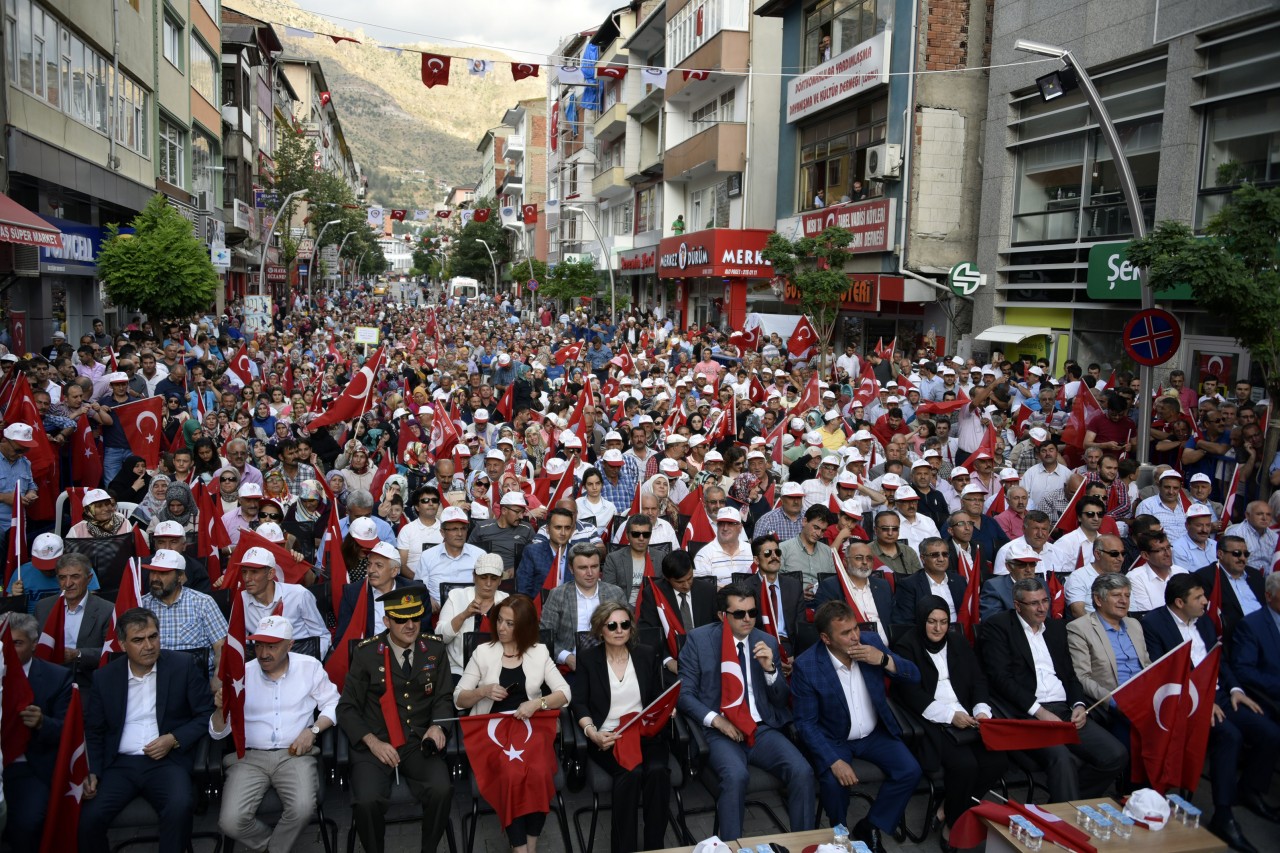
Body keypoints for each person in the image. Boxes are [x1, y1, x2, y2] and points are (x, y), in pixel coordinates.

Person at [1141, 573, 1280, 851]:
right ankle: (1224, 814)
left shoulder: (1204, 620)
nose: (1206, 601)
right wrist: (1200, 700)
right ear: (1180, 602)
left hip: (1220, 694)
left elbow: (1220, 660)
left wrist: (1235, 690)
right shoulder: (1154, 624)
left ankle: (1250, 791)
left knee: (1269, 731)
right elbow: (1164, 672)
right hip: (1186, 700)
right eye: (1199, 598)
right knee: (1229, 736)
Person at [675, 581, 816, 841]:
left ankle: (802, 844)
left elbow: (781, 699)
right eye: (739, 613)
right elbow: (684, 695)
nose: (748, 619)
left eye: (752, 612)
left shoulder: (767, 642)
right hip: (719, 730)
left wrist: (771, 671)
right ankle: (732, 845)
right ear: (722, 615)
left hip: (760, 727)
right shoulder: (699, 640)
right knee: (736, 776)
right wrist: (717, 720)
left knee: (802, 771)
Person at [79, 608, 215, 853]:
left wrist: (173, 739)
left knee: (179, 805)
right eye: (138, 640)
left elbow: (206, 714)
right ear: (122, 644)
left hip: (167, 761)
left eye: (153, 636)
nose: (149, 645)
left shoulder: (182, 666)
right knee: (88, 817)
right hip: (119, 764)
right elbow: (94, 730)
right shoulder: (105, 677)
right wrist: (92, 771)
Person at [979, 578, 1127, 801]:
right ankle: (1064, 819)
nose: (1042, 608)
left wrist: (1079, 705)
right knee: (1063, 759)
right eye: (1034, 603)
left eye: (1045, 601)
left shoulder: (1056, 628)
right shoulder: (998, 627)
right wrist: (1039, 711)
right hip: (1028, 714)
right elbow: (1001, 679)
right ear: (1018, 605)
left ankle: (1064, 805)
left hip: (1065, 710)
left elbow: (1070, 675)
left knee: (1116, 755)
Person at [792, 600, 921, 853]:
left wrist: (883, 660)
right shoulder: (807, 666)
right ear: (826, 638)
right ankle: (840, 835)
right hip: (834, 739)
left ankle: (871, 825)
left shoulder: (871, 643)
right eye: (845, 633)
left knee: (910, 771)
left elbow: (913, 675)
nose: (854, 637)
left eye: (855, 629)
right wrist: (834, 760)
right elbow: (805, 723)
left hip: (874, 734)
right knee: (833, 781)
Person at [337, 585, 455, 853]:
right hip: (376, 743)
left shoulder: (434, 649)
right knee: (366, 801)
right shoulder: (367, 653)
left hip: (417, 741)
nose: (411, 625)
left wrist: (438, 726)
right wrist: (371, 742)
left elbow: (444, 697)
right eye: (402, 619)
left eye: (415, 617)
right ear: (387, 621)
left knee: (442, 789)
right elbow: (346, 708)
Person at [210, 615, 340, 853]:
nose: (263, 653)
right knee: (230, 821)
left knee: (302, 808)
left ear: (289, 645)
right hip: (249, 758)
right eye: (259, 645)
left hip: (295, 754)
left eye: (272, 646)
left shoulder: (308, 667)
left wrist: (313, 730)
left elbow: (333, 704)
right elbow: (218, 733)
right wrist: (220, 710)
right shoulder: (241, 675)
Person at [455, 594, 572, 852]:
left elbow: (564, 693)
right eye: (500, 621)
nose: (501, 628)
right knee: (512, 775)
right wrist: (483, 691)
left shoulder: (539, 652)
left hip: (531, 727)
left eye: (510, 623)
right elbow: (459, 698)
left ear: (524, 627)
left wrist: (536, 704)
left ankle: (531, 846)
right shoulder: (483, 652)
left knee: (539, 773)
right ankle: (519, 849)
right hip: (492, 731)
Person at [891, 597, 1006, 847]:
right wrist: (950, 716)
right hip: (933, 721)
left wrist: (981, 710)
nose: (937, 628)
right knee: (965, 766)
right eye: (931, 622)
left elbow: (978, 680)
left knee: (998, 761)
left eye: (943, 622)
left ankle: (947, 809)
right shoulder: (906, 647)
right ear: (922, 621)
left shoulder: (958, 641)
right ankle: (954, 826)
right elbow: (910, 695)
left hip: (968, 715)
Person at [570, 602, 671, 853]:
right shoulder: (588, 659)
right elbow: (579, 702)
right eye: (612, 625)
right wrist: (591, 732)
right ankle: (623, 848)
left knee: (658, 771)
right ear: (600, 629)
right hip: (608, 736)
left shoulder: (646, 654)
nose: (619, 630)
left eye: (624, 624)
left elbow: (658, 696)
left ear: (631, 627)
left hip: (644, 733)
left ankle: (654, 846)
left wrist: (668, 707)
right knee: (630, 773)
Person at [1, 613, 73, 853]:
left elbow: (69, 731)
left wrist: (43, 722)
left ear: (34, 644)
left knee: (26, 824)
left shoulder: (56, 677)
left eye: (17, 643)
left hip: (31, 768)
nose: (8, 650)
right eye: (4, 644)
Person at [1064, 573, 1151, 743]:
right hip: (1114, 702)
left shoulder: (1135, 624)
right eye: (1117, 595)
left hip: (1146, 697)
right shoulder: (1079, 628)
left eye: (1127, 595)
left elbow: (1147, 666)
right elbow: (1082, 677)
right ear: (1098, 599)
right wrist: (1115, 701)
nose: (1124, 601)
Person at [138, 549, 227, 674]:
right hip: (156, 678)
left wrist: (218, 678)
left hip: (197, 678)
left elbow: (221, 646)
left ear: (180, 577)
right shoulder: (141, 605)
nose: (155, 578)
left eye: (163, 573)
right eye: (153, 572)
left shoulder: (202, 602)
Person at [540, 542, 627, 671]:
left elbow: (628, 631)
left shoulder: (615, 593)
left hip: (611, 662)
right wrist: (567, 657)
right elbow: (545, 637)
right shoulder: (558, 595)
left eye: (594, 566)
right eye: (583, 568)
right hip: (571, 665)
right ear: (571, 569)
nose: (590, 573)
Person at [34, 552, 113, 690]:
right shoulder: (43, 607)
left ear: (89, 579)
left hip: (87, 681)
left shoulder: (107, 610)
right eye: (62, 577)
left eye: (75, 577)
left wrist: (77, 654)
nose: (68, 584)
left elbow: (111, 652)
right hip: (48, 679)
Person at [238, 547, 330, 658]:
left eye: (254, 572)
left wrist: (309, 664)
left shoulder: (299, 595)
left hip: (301, 660)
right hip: (264, 664)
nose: (247, 578)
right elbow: (239, 643)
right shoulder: (240, 600)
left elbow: (322, 637)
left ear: (271, 574)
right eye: (244, 572)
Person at [638, 550, 717, 673]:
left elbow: (717, 628)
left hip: (706, 660)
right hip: (672, 662)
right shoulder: (653, 594)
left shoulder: (708, 591)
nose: (686, 585)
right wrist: (668, 661)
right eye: (679, 582)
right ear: (667, 578)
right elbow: (648, 632)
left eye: (690, 578)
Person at [436, 553, 510, 681]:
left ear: (500, 581)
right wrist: (463, 615)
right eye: (483, 577)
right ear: (474, 577)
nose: (488, 583)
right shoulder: (456, 596)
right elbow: (440, 637)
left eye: (493, 578)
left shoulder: (507, 601)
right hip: (460, 669)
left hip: (497, 668)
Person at [814, 540, 895, 645]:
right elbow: (825, 623)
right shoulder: (830, 587)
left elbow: (895, 620)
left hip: (888, 648)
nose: (865, 562)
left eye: (869, 558)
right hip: (851, 648)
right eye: (859, 558)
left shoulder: (883, 586)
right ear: (845, 562)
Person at [335, 541, 415, 641]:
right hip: (367, 651)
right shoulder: (352, 592)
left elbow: (423, 633)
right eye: (369, 564)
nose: (371, 570)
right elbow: (342, 636)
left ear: (394, 571)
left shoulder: (412, 591)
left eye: (379, 565)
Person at [419, 505, 484, 608]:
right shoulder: (427, 556)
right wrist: (427, 599)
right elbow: (419, 587)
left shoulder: (479, 555)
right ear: (442, 532)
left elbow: (487, 587)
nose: (460, 533)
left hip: (472, 611)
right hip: (437, 612)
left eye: (463, 528)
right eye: (454, 529)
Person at [892, 537, 967, 626]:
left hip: (959, 634)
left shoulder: (959, 581)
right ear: (923, 558)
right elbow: (905, 623)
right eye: (935, 555)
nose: (941, 559)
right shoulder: (909, 585)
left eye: (945, 554)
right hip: (926, 636)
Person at [692, 507, 755, 586]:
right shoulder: (704, 555)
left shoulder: (752, 551)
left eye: (730, 524)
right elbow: (701, 587)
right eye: (721, 523)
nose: (725, 528)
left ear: (740, 528)